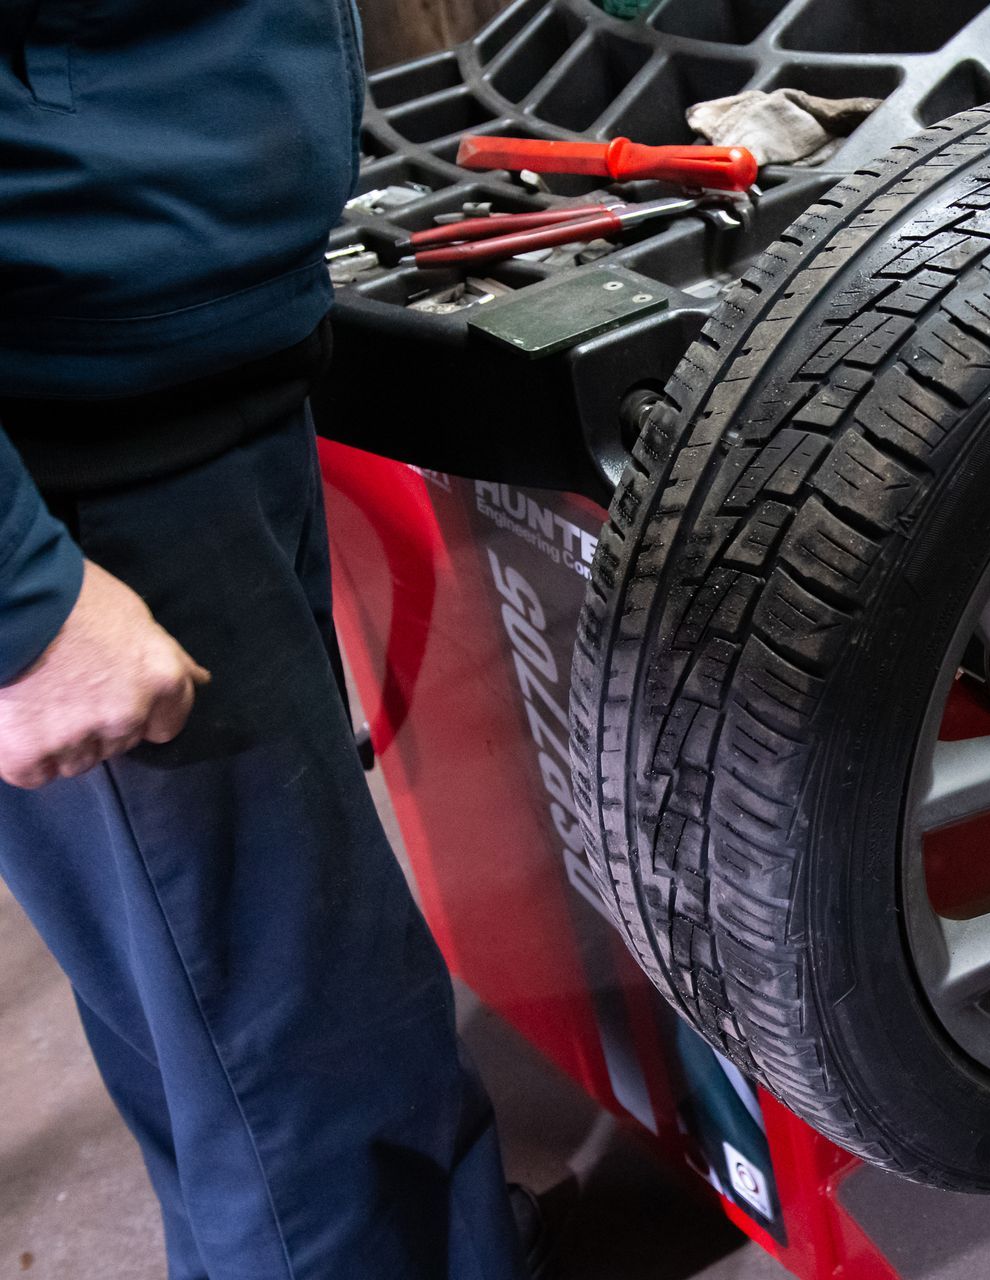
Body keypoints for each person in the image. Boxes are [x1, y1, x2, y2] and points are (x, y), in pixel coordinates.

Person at [0, 3, 526, 1275]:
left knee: (222, 1023)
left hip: (190, 385)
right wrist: (24, 608)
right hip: (96, 475)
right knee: (306, 1059)